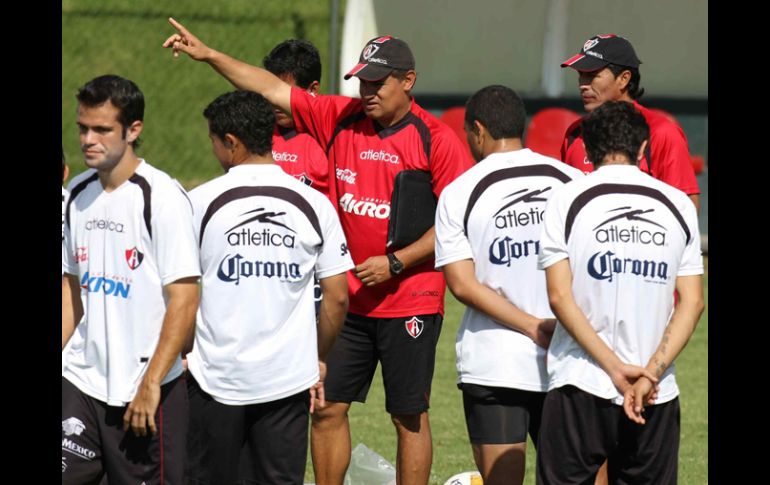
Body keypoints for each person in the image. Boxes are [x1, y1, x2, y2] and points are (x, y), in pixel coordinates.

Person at [163, 19, 473, 485]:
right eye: (362, 80)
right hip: (347, 298)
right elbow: (268, 88)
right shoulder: (341, 115)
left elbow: (456, 221)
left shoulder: (436, 138)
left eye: (378, 82)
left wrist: (396, 262)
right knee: (325, 406)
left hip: (410, 298)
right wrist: (209, 56)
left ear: (408, 81)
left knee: (408, 416)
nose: (367, 90)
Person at [185, 90, 352, 484]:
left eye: (213, 140)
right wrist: (316, 356)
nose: (213, 150)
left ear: (231, 142)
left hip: (213, 377)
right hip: (287, 377)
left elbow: (179, 291)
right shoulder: (314, 203)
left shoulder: (197, 202)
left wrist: (183, 351)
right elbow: (338, 296)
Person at [536, 101, 704, 484]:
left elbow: (559, 297)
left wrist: (614, 368)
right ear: (643, 148)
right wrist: (648, 375)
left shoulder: (565, 199)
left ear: (588, 150)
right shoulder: (678, 205)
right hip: (655, 390)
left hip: (581, 380)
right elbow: (693, 302)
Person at [434, 85, 583, 485]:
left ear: (478, 131)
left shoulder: (459, 192)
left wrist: (532, 326)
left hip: (495, 363)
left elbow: (462, 285)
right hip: (572, 358)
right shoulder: (572, 181)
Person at [61, 75, 201, 483]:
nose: (89, 139)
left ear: (133, 130)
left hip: (146, 389)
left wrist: (151, 383)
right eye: (83, 127)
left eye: (102, 129)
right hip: (82, 380)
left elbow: (185, 300)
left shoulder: (162, 197)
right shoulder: (77, 192)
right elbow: (72, 290)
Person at [559, 34, 700, 212]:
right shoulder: (575, 133)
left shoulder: (661, 131)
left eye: (592, 75)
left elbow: (687, 209)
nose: (583, 85)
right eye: (581, 75)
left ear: (624, 78)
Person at [263, 39, 331, 198]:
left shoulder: (331, 137)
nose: (276, 101)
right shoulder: (257, 131)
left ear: (313, 89)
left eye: (285, 94)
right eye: (272, 92)